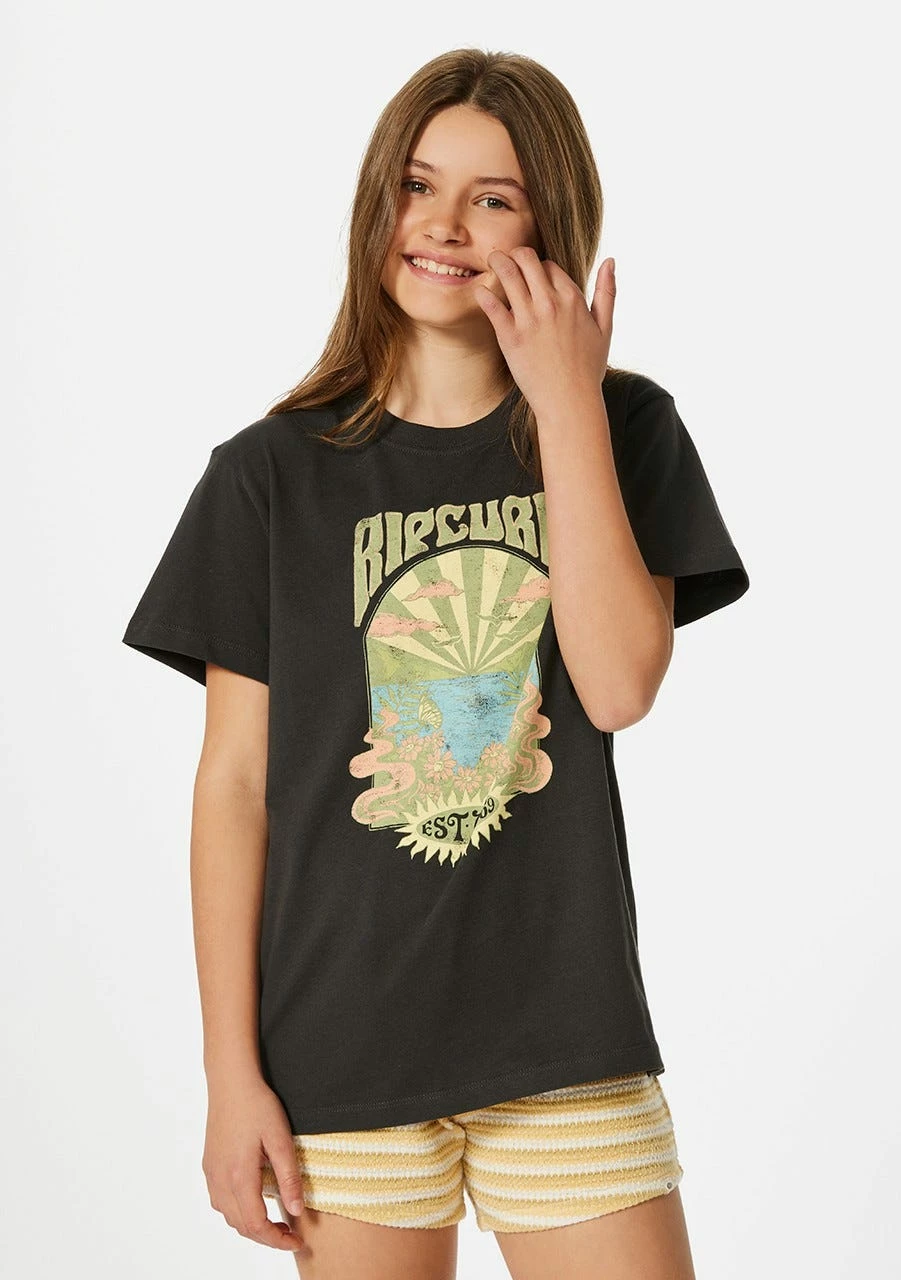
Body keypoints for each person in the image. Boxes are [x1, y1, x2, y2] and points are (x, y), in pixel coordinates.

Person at [122, 46, 749, 1280]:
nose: (445, 224)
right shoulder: (267, 476)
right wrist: (230, 1074)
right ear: (379, 202)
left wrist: (565, 403)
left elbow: (619, 683)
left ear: (548, 223)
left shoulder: (625, 426)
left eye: (492, 197)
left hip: (563, 1037)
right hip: (341, 1041)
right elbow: (235, 787)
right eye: (418, 185)